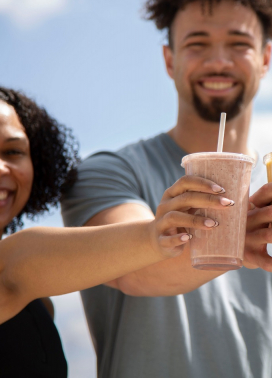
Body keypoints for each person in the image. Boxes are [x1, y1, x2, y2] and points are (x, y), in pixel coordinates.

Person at [60, 0, 272, 377]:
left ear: (265, 59)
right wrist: (230, 237)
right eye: (197, 43)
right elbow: (132, 269)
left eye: (238, 43)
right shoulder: (108, 173)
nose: (219, 61)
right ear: (169, 59)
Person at [0, 87, 212, 377]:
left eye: (13, 152)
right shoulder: (15, 275)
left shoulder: (38, 305)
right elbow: (12, 267)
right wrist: (155, 236)